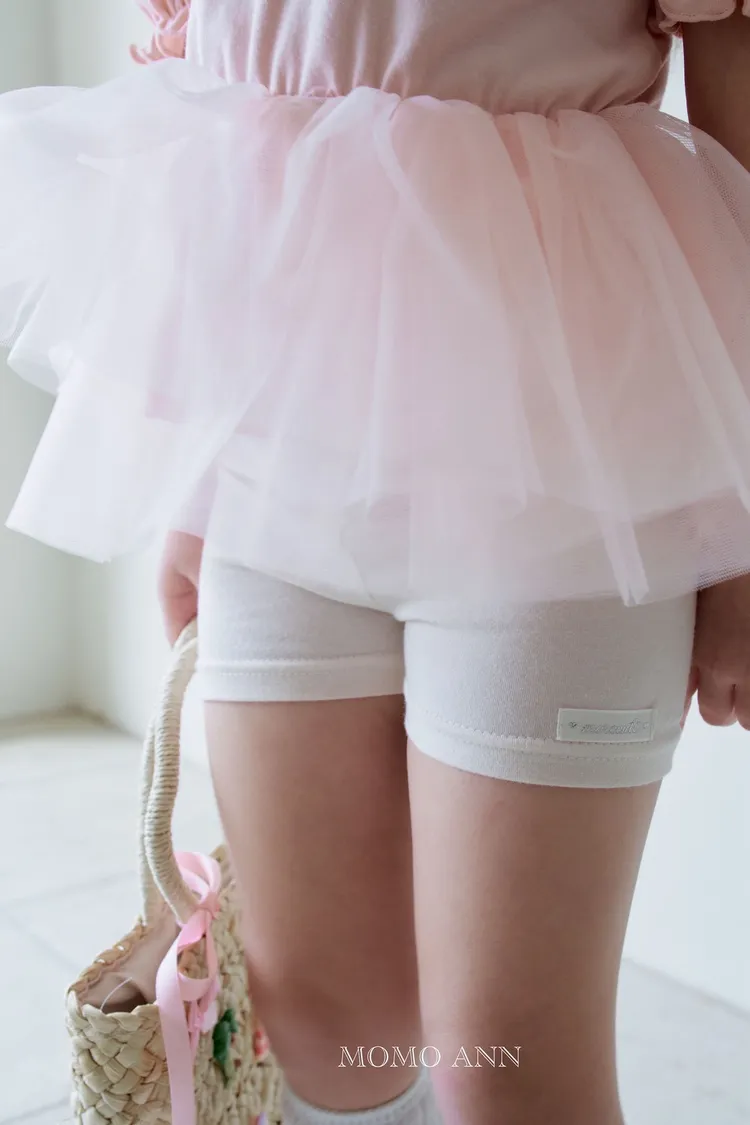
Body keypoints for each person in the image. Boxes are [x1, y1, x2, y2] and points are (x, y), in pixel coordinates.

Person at [2, 2, 750, 1122]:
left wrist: (739, 543)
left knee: (510, 1070)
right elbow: (221, 120)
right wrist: (197, 483)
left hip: (567, 464)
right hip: (278, 466)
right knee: (327, 1033)